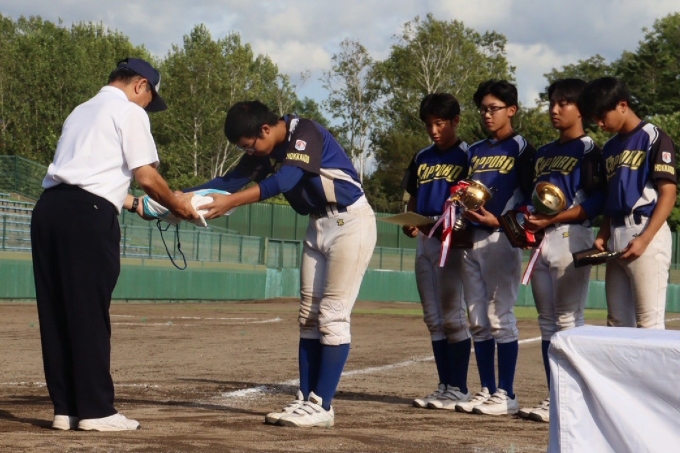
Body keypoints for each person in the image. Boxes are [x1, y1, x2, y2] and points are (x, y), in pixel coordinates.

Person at [31, 58, 198, 431]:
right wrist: (177, 204)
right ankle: (96, 411)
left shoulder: (81, 112)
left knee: (56, 312)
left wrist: (136, 205)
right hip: (87, 216)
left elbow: (85, 174)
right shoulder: (129, 111)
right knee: (89, 311)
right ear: (140, 85)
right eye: (149, 99)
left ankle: (66, 409)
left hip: (49, 210)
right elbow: (146, 175)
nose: (147, 107)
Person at [194, 100, 377, 427]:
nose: (249, 152)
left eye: (249, 146)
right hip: (318, 225)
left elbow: (285, 181)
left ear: (265, 129)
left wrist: (231, 202)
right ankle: (306, 399)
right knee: (308, 316)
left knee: (333, 315)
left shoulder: (304, 131)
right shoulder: (266, 149)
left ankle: (322, 405)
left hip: (350, 223)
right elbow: (228, 181)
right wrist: (172, 197)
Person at [516, 78, 605, 423]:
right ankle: (554, 396)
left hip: (572, 235)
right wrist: (527, 220)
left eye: (564, 103)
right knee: (547, 323)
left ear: (581, 109)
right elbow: (532, 197)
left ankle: (570, 400)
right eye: (552, 102)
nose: (555, 109)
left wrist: (553, 218)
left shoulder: (589, 150)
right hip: (542, 238)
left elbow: (596, 201)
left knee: (568, 320)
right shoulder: (544, 153)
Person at [453, 80, 536, 416]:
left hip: (502, 237)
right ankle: (487, 389)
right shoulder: (473, 151)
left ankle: (507, 393)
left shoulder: (522, 149)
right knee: (476, 318)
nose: (487, 114)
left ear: (511, 110)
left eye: (494, 108)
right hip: (470, 238)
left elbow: (532, 199)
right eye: (483, 109)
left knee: (499, 317)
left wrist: (502, 221)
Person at [578, 77, 677, 329]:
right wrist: (603, 234)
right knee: (617, 323)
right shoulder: (610, 147)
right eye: (595, 119)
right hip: (616, 234)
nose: (600, 124)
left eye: (602, 116)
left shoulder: (653, 136)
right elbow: (612, 196)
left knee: (649, 323)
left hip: (646, 229)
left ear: (622, 105)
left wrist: (644, 239)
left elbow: (668, 193)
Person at [400, 93, 472, 410]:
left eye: (440, 123)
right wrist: (410, 221)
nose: (434, 130)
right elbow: (413, 196)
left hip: (451, 241)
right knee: (433, 318)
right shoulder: (422, 157)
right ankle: (444, 386)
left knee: (453, 317)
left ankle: (459, 387)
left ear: (455, 121)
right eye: (429, 124)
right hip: (426, 240)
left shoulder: (468, 155)